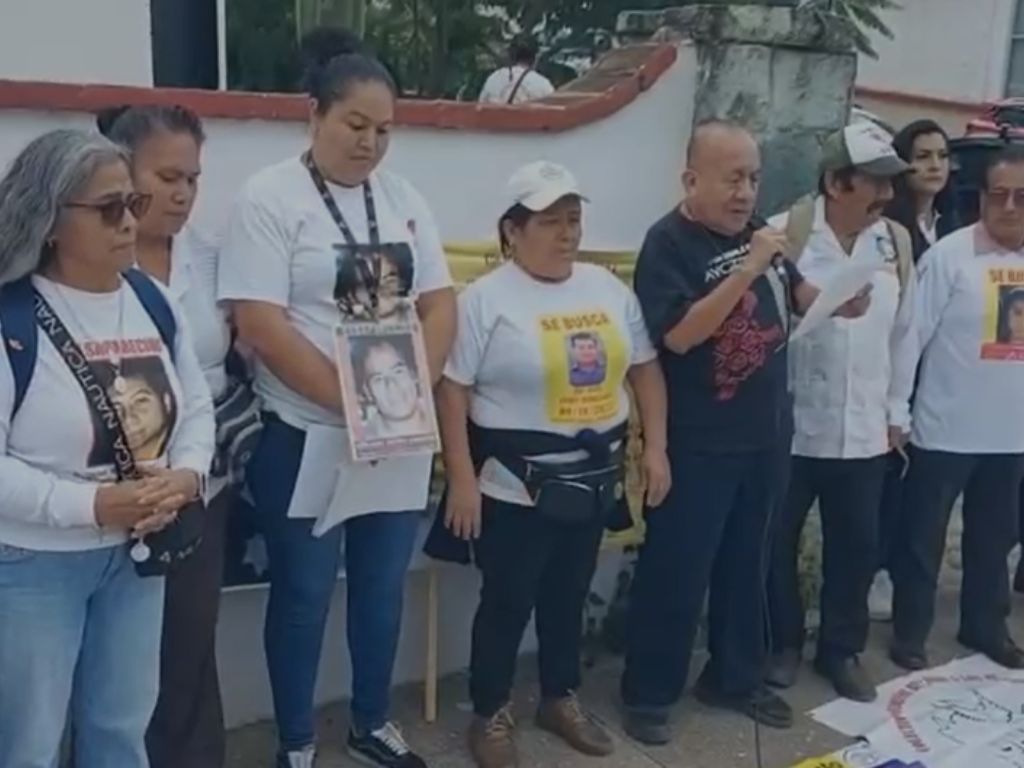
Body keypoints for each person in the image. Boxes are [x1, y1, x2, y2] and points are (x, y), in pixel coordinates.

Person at [218, 35, 455, 768]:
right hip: (306, 432)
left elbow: (441, 302)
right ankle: (294, 741)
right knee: (303, 595)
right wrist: (360, 409)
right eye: (356, 124)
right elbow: (260, 323)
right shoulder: (268, 198)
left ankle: (372, 721)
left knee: (383, 587)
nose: (371, 143)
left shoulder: (404, 198)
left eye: (384, 129)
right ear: (314, 114)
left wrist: (406, 403)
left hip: (395, 433)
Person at [620, 120, 870, 745]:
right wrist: (746, 266)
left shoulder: (762, 239)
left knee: (748, 564)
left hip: (765, 431)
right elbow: (677, 335)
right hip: (699, 438)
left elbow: (792, 290)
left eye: (753, 179)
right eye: (733, 178)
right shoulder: (668, 244)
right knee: (678, 568)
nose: (744, 192)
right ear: (692, 179)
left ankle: (733, 677)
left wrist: (835, 299)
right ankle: (649, 691)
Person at [436, 161, 670, 768]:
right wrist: (461, 478)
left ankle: (559, 697)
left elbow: (644, 368)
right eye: (549, 222)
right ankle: (490, 712)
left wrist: (657, 449)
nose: (566, 233)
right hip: (515, 485)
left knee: (568, 596)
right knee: (508, 598)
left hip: (592, 479)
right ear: (512, 231)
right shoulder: (485, 300)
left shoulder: (607, 290)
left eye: (573, 220)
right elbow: (453, 390)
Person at [0, 129, 214, 768]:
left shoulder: (153, 301)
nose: (130, 224)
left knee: (120, 729)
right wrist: (93, 505)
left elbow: (195, 409)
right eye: (109, 209)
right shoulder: (12, 319)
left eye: (134, 205)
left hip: (138, 553)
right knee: (28, 742)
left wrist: (188, 477)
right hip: (34, 565)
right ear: (50, 221)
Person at [96, 104, 235, 768]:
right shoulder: (85, 263)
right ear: (121, 171)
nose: (182, 194)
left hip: (197, 481)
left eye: (193, 179)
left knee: (187, 639)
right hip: (106, 490)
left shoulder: (211, 258)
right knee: (116, 658)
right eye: (167, 176)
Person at [764, 123, 916, 703]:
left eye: (889, 183)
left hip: (865, 432)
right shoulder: (785, 237)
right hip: (795, 428)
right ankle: (781, 643)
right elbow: (761, 332)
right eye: (873, 183)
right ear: (835, 181)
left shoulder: (893, 244)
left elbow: (907, 335)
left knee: (856, 546)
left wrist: (896, 412)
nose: (884, 196)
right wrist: (825, 311)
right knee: (776, 543)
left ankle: (840, 649)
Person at [890, 146, 1024, 672]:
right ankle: (910, 634)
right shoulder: (948, 257)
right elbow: (910, 337)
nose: (1010, 206)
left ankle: (985, 626)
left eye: (1022, 196)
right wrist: (896, 410)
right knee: (922, 543)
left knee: (993, 544)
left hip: (1010, 435)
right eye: (999, 195)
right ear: (981, 198)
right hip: (944, 429)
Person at [872, 119, 961, 621]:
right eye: (923, 155)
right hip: (892, 368)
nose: (934, 166)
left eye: (942, 156)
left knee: (919, 488)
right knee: (889, 482)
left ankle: (900, 570)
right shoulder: (892, 230)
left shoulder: (950, 228)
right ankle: (879, 569)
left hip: (940, 375)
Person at [354, 335, 432, 439]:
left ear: (414, 374)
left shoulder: (442, 423)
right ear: (367, 392)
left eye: (398, 372)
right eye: (378, 379)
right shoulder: (364, 437)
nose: (391, 385)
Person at [477, 36, 555, 106]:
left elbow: (480, 107)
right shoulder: (543, 84)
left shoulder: (493, 79)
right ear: (535, 58)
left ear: (511, 56)